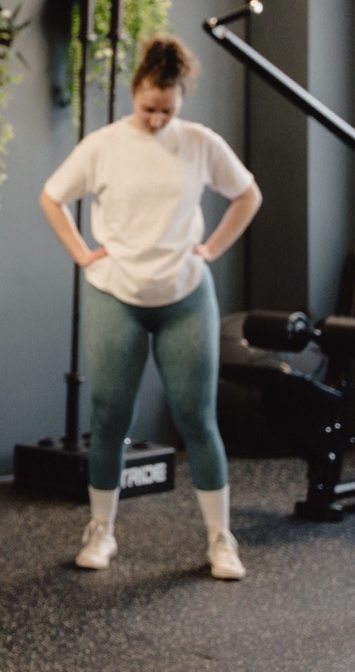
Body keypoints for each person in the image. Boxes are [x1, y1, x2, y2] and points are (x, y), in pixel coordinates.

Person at [39, 34, 262, 580]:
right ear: (135, 94)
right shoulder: (104, 145)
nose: (158, 119)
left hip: (185, 294)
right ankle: (101, 530)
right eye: (149, 110)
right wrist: (83, 255)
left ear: (180, 99)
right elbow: (52, 196)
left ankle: (220, 539)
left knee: (198, 420)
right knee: (109, 417)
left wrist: (211, 249)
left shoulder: (200, 143)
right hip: (115, 291)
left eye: (168, 110)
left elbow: (247, 195)